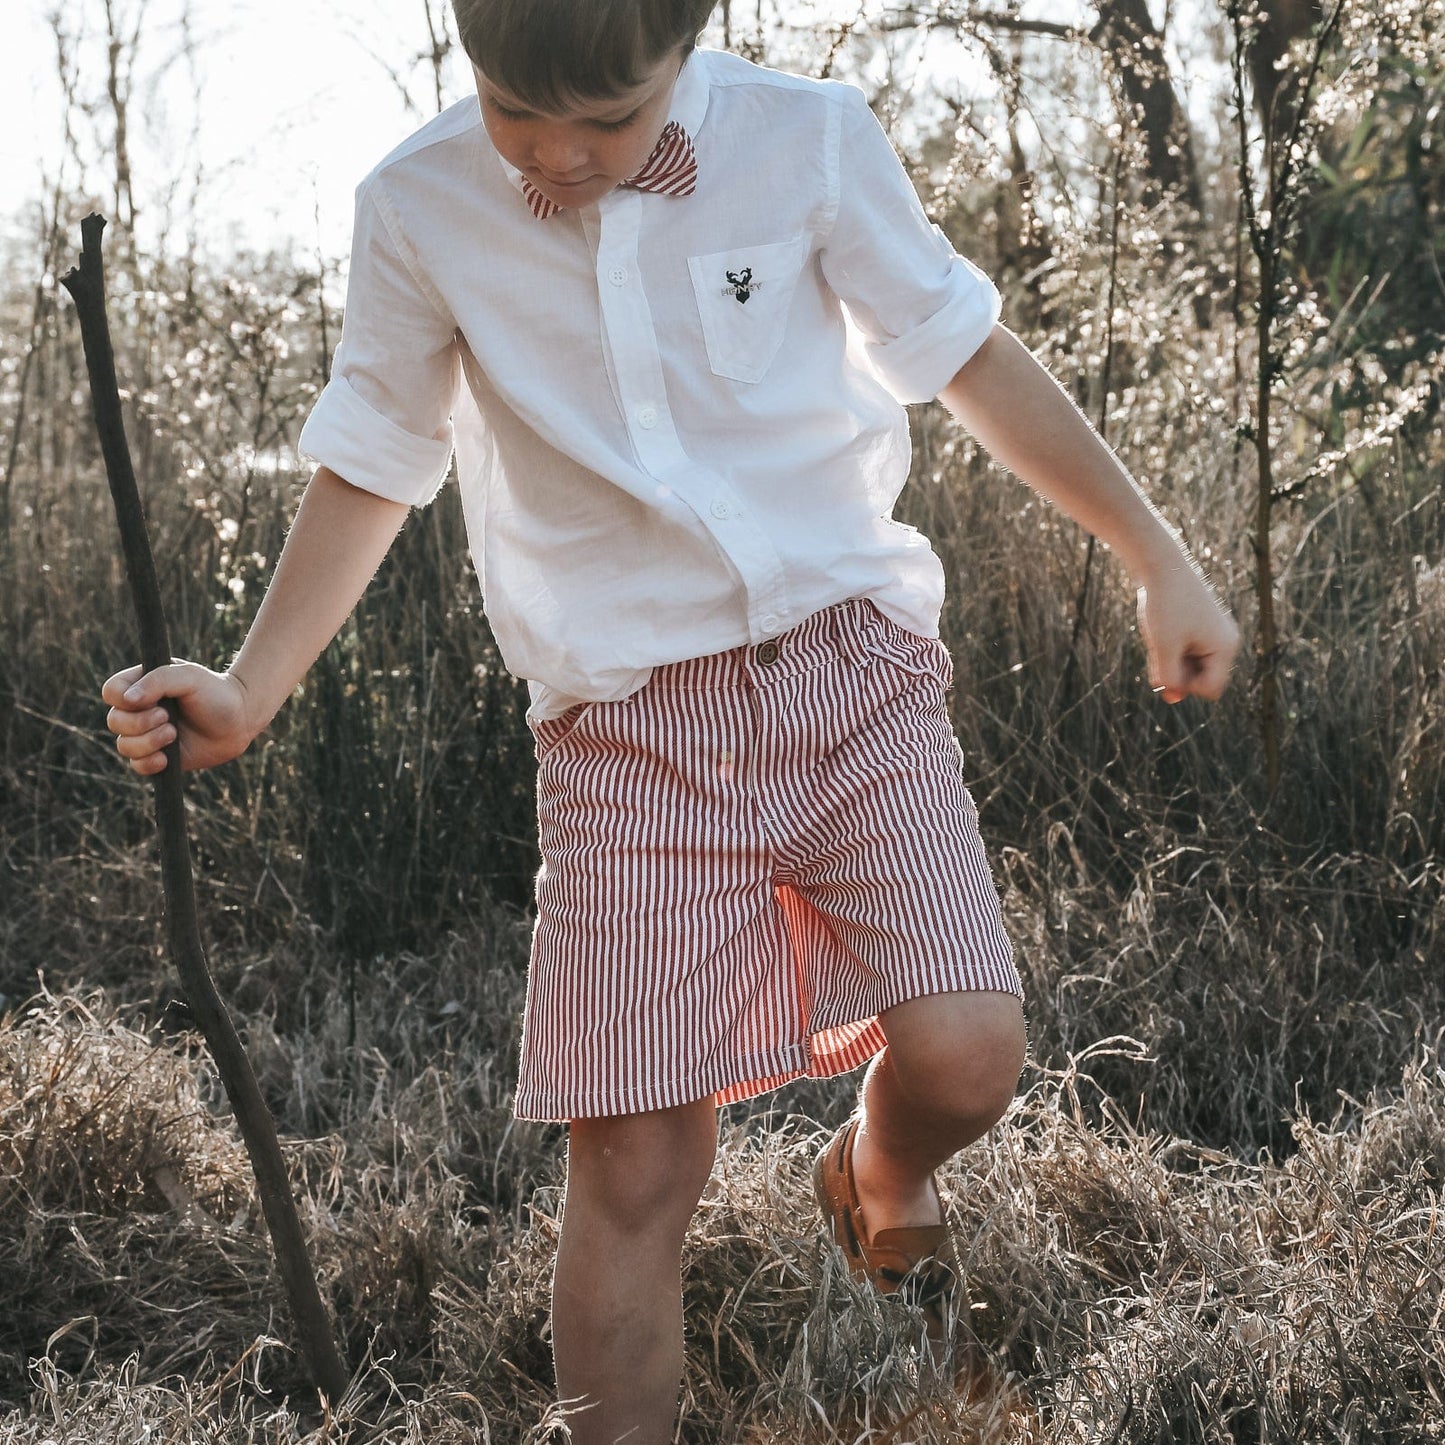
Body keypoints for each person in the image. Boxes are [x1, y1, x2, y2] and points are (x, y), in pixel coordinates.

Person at [103, 0, 1240, 1438]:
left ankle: (879, 1173)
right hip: (627, 729)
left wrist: (1155, 555)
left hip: (852, 679)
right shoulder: (416, 207)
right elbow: (372, 458)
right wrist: (251, 684)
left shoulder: (809, 142)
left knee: (967, 1050)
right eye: (518, 118)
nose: (561, 160)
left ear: (689, 45)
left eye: (613, 122)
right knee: (637, 1162)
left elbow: (965, 354)